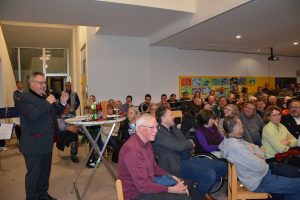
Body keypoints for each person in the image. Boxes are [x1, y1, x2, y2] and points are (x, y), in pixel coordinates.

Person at [153, 106, 227, 200]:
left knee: (222, 166)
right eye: (170, 115)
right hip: (177, 165)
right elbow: (181, 146)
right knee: (209, 175)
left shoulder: (174, 128)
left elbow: (184, 143)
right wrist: (188, 143)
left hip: (189, 158)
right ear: (163, 118)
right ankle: (197, 197)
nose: (173, 117)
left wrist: (186, 144)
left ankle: (200, 193)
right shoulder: (158, 133)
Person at [219, 116, 300, 200]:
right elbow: (261, 166)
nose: (243, 125)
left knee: (293, 179)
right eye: (240, 124)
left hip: (260, 176)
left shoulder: (232, 140)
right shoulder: (237, 147)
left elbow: (259, 151)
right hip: (260, 181)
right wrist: (260, 158)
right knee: (297, 183)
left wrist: (256, 154)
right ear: (236, 129)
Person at [18, 72, 69, 200]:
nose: (43, 85)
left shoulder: (43, 97)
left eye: (44, 82)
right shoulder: (24, 97)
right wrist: (47, 102)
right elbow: (32, 115)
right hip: (33, 144)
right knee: (34, 175)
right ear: (31, 83)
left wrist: (62, 103)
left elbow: (54, 112)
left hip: (46, 143)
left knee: (45, 173)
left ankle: (42, 195)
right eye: (40, 82)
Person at [118, 113, 191, 200]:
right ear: (140, 128)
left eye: (157, 127)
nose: (156, 131)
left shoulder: (147, 142)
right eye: (152, 127)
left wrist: (171, 176)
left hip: (148, 184)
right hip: (136, 194)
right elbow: (143, 186)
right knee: (183, 197)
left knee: (187, 183)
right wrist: (172, 189)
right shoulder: (132, 150)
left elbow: (154, 168)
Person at [13, 81, 24, 145]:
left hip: (25, 111)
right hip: (17, 111)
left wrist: (19, 98)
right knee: (18, 127)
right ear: (16, 86)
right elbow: (15, 99)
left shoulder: (26, 92)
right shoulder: (15, 92)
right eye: (18, 85)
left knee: (24, 126)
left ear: (22, 85)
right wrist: (22, 99)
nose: (19, 86)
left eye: (20, 84)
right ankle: (20, 141)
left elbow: (28, 100)